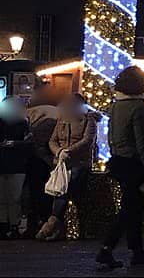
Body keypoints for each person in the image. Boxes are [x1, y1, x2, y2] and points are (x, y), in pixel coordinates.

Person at [96, 66, 144, 269]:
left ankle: (136, 249)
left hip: (118, 160)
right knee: (131, 208)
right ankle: (108, 248)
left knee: (132, 206)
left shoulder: (115, 107)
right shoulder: (139, 108)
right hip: (134, 163)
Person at [36, 93, 97, 241]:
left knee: (64, 192)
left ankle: (51, 224)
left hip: (79, 163)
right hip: (62, 164)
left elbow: (87, 140)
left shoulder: (89, 120)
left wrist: (68, 151)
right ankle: (59, 227)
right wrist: (59, 152)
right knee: (61, 192)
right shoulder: (62, 119)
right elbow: (53, 140)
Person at [24, 84, 58, 237]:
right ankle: (42, 223)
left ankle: (37, 224)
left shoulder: (38, 117)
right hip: (46, 163)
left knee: (37, 195)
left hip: (38, 162)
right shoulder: (53, 115)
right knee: (43, 195)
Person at [0, 96, 32, 239]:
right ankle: (5, 225)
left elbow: (28, 143)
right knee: (5, 197)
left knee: (13, 197)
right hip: (6, 163)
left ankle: (12, 225)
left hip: (16, 164)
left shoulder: (22, 123)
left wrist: (13, 144)